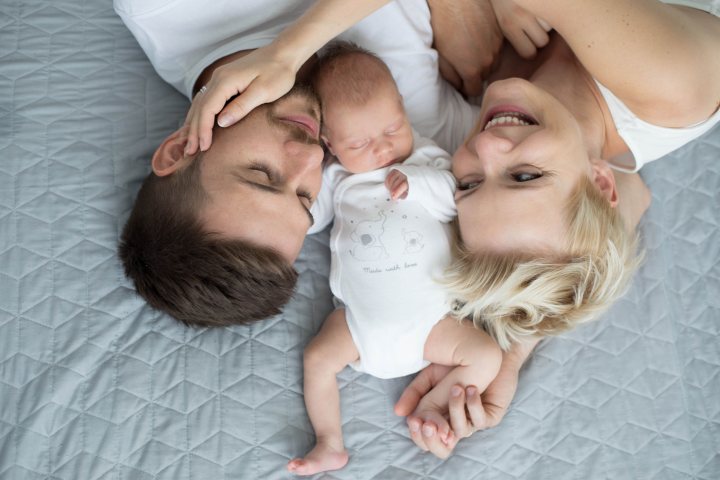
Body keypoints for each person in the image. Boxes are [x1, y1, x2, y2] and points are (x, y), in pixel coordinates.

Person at [183, 0, 720, 459]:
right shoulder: (675, 87)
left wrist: (506, 361)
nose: (486, 146)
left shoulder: (484, 107)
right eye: (525, 176)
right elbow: (629, 203)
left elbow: (630, 202)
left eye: (468, 184)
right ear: (601, 182)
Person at [113, 0, 490, 326]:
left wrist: (288, 52)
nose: (313, 157)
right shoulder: (403, 139)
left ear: (180, 150)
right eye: (306, 197)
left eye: (262, 174)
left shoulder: (161, 11)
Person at [284, 43, 502, 475]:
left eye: (392, 128)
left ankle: (437, 400)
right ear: (329, 144)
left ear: (402, 106)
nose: (383, 149)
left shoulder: (427, 159)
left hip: (433, 322)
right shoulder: (336, 179)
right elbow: (306, 218)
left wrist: (417, 182)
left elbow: (456, 201)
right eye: (360, 143)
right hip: (359, 326)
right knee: (317, 359)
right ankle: (329, 442)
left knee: (488, 355)